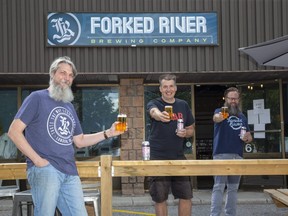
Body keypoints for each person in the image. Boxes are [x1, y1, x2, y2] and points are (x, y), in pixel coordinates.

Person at [8, 56, 125, 216]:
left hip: (70, 171)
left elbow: (80, 140)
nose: (67, 78)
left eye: (70, 75)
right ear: (52, 74)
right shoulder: (37, 98)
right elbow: (14, 132)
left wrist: (108, 133)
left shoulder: (68, 106)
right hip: (46, 170)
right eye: (63, 73)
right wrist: (38, 161)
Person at [146, 74, 195, 216]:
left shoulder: (183, 105)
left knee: (186, 195)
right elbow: (152, 112)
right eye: (165, 87)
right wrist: (159, 115)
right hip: (157, 157)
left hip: (179, 156)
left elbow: (191, 129)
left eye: (171, 86)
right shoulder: (154, 103)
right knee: (160, 197)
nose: (168, 89)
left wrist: (186, 132)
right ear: (160, 89)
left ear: (176, 88)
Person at [210, 87, 253, 216]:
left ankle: (230, 214)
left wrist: (247, 138)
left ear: (239, 100)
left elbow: (249, 136)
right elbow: (215, 118)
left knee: (233, 189)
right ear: (226, 99)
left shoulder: (242, 116)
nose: (233, 101)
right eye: (231, 98)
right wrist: (222, 116)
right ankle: (215, 214)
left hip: (238, 155)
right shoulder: (220, 112)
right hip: (221, 155)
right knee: (218, 187)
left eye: (235, 98)